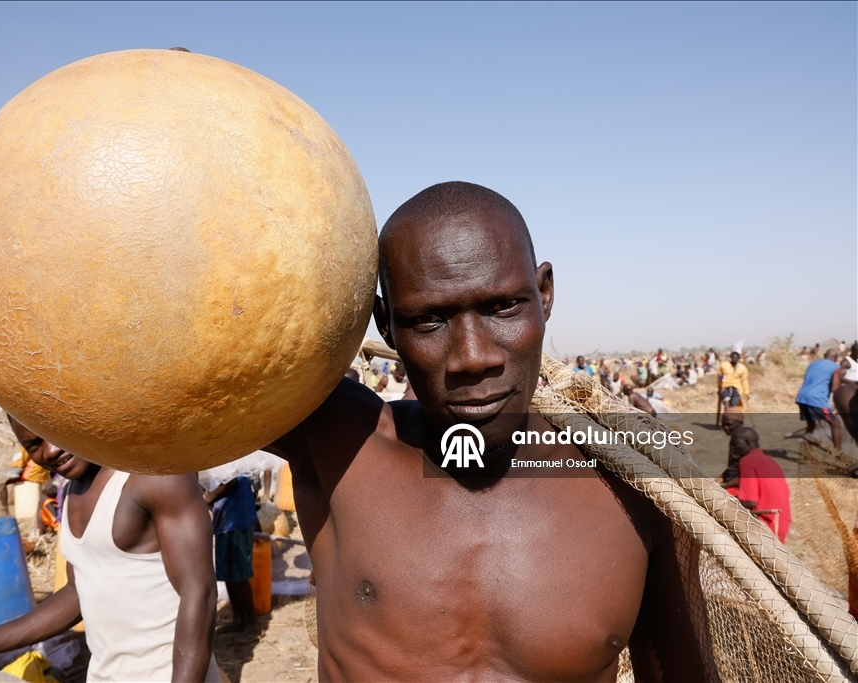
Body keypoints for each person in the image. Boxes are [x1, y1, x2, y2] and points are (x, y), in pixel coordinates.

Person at [263, 182, 711, 681]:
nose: (474, 357)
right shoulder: (338, 442)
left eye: (502, 307)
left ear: (544, 294)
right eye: (429, 320)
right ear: (386, 324)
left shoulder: (638, 486)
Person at [0, 416, 220, 683]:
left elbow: (200, 593)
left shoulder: (153, 476)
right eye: (33, 444)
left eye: (54, 432)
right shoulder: (72, 491)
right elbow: (76, 593)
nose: (51, 450)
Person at [202, 474, 258, 638]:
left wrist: (206, 499)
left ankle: (253, 624)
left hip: (236, 518)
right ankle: (239, 619)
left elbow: (229, 481)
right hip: (226, 519)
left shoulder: (232, 457)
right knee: (228, 573)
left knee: (239, 575)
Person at [726, 427, 791, 542]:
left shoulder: (747, 461)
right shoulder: (771, 460)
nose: (734, 448)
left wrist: (724, 501)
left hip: (766, 526)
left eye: (735, 444)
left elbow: (750, 501)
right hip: (782, 524)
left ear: (747, 442)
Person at [795, 349, 843, 450]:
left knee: (811, 425)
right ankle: (839, 455)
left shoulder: (813, 364)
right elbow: (835, 388)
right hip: (816, 398)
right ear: (836, 358)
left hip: (802, 396)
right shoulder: (835, 367)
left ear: (825, 355)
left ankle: (806, 451)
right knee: (835, 423)